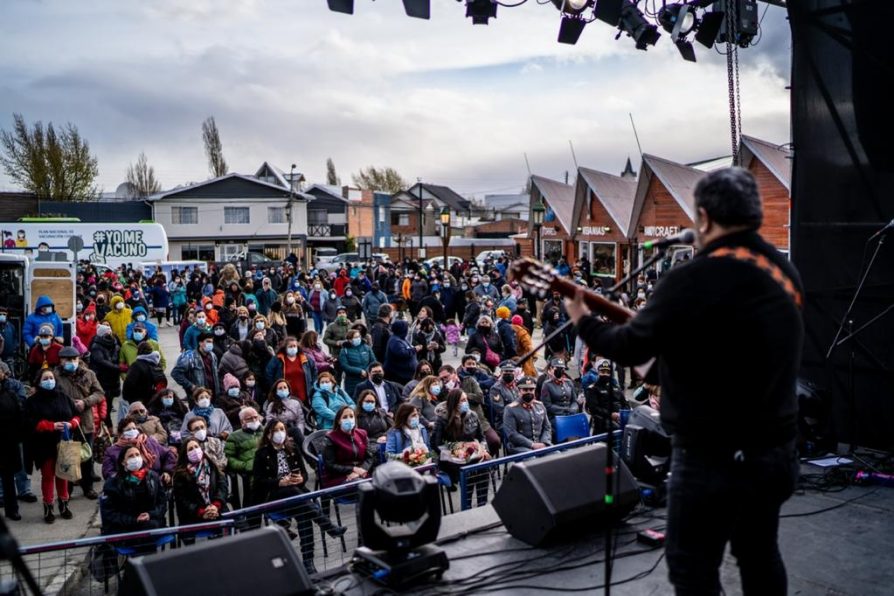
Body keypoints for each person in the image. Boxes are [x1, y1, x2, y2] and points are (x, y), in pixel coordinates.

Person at [566, 167, 803, 596]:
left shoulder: (691, 279)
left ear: (706, 218)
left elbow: (628, 347)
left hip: (712, 456)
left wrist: (582, 318)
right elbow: (722, 352)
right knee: (759, 553)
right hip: (775, 452)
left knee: (692, 566)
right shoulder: (784, 272)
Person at [252, 419, 347, 575]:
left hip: (296, 494)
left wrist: (301, 479)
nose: (280, 433)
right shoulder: (262, 454)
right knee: (295, 494)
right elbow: (258, 481)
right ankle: (327, 525)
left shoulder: (293, 448)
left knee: (303, 512)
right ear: (269, 435)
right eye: (276, 430)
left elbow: (303, 472)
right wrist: (279, 482)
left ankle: (308, 562)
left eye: (282, 429)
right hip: (274, 496)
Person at [24, 369, 80, 523]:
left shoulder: (63, 397)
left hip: (64, 442)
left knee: (64, 476)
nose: (49, 380)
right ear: (39, 382)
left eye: (51, 377)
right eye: (45, 378)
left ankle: (64, 504)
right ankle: (48, 507)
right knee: (48, 476)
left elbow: (76, 415)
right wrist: (51, 425)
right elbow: (30, 423)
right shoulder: (32, 401)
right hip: (44, 446)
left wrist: (72, 423)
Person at [54, 346, 104, 500]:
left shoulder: (88, 374)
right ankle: (66, 491)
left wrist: (85, 402)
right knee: (68, 456)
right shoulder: (55, 376)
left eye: (74, 359)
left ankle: (87, 487)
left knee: (86, 457)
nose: (71, 362)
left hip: (85, 421)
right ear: (61, 361)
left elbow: (100, 393)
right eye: (67, 360)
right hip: (66, 421)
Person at [100, 445, 168, 552]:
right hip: (125, 528)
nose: (135, 458)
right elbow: (109, 513)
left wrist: (150, 514)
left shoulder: (153, 477)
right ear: (123, 462)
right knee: (145, 535)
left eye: (137, 454)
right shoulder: (113, 483)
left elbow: (162, 503)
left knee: (148, 530)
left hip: (150, 523)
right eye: (131, 456)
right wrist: (134, 520)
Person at [431, 388, 490, 506]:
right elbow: (435, 443)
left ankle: (482, 504)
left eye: (466, 400)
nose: (466, 403)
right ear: (454, 403)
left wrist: (483, 450)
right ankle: (466, 505)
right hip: (451, 458)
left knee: (483, 467)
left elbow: (481, 437)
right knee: (469, 471)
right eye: (462, 400)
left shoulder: (472, 415)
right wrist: (456, 452)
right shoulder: (442, 419)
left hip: (473, 453)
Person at [173, 438, 228, 527]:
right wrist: (202, 512)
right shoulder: (180, 475)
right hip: (194, 517)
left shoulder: (212, 466)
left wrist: (215, 505)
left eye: (196, 447)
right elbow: (183, 500)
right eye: (190, 449)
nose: (195, 450)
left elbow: (222, 487)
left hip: (217, 511)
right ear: (185, 454)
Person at [101, 417, 175, 483]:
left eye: (134, 428)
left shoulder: (148, 441)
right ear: (121, 434)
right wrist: (123, 480)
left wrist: (167, 471)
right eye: (129, 429)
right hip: (126, 487)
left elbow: (168, 454)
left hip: (154, 482)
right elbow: (108, 472)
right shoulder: (112, 451)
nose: (133, 431)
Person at [320, 406, 375, 488]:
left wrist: (360, 470)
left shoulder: (362, 434)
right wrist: (352, 469)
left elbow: (369, 457)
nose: (349, 419)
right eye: (345, 417)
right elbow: (330, 465)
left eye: (351, 416)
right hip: (340, 476)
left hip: (361, 472)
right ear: (339, 421)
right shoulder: (330, 438)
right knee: (365, 487)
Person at [223, 407, 263, 507]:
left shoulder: (266, 432)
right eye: (250, 418)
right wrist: (245, 466)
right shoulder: (234, 436)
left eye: (255, 417)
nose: (254, 420)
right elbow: (229, 458)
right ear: (242, 421)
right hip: (249, 472)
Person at [503, 376, 552, 455]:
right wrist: (532, 445)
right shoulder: (510, 409)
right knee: (532, 460)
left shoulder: (540, 405)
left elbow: (547, 427)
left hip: (540, 443)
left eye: (531, 390)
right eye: (525, 390)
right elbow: (512, 434)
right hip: (520, 446)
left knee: (556, 454)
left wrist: (544, 442)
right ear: (519, 391)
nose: (529, 392)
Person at [0, 364, 25, 520]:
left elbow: (19, 415)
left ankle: (12, 509)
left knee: (8, 477)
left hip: (8, 442)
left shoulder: (10, 394)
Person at [122, 342, 167, 422]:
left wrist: (127, 397)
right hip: (155, 399)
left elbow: (128, 384)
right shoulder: (156, 363)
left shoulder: (136, 365)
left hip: (139, 400)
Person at [266, 336, 316, 406]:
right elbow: (269, 373)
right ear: (285, 348)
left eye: (294, 346)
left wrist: (312, 385)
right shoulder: (277, 359)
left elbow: (314, 371)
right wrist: (274, 388)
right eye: (290, 346)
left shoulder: (305, 358)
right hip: (285, 395)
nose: (293, 348)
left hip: (304, 395)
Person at [172, 332, 222, 397]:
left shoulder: (213, 356)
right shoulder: (190, 357)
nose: (210, 344)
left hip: (212, 394)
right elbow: (175, 373)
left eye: (211, 342)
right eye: (208, 342)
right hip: (198, 396)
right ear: (200, 343)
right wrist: (191, 386)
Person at [583, 359, 626, 435]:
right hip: (603, 422)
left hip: (620, 418)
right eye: (602, 372)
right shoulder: (593, 389)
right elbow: (594, 409)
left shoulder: (616, 387)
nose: (605, 374)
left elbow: (625, 404)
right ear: (598, 372)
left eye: (607, 372)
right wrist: (611, 415)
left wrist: (623, 414)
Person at [539, 357, 580, 426]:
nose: (560, 370)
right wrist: (565, 410)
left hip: (570, 414)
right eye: (557, 368)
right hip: (555, 416)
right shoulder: (547, 384)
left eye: (562, 369)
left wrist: (573, 409)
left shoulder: (568, 382)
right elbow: (547, 405)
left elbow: (574, 401)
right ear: (551, 369)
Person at [338, 328, 375, 398]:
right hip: (352, 381)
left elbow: (373, 362)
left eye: (359, 337)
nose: (358, 339)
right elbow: (344, 366)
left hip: (367, 378)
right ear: (349, 340)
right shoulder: (344, 350)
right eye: (355, 337)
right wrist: (359, 371)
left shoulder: (366, 348)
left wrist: (366, 371)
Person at [384, 319, 417, 385]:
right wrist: (414, 350)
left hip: (406, 375)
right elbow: (401, 353)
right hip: (398, 376)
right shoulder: (395, 341)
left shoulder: (401, 338)